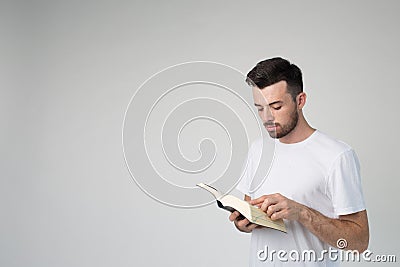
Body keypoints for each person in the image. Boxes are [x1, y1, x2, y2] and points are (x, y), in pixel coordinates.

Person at [229, 57, 369, 266]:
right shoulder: (258, 150)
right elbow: (250, 210)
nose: (267, 117)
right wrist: (245, 222)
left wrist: (302, 213)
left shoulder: (337, 155)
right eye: (260, 108)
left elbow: (359, 242)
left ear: (300, 100)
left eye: (276, 106)